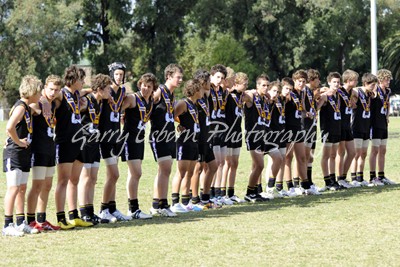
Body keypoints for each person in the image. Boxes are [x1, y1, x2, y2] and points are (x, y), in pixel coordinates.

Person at [2, 75, 42, 236]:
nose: (40, 95)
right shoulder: (20, 107)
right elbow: (9, 127)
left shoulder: (27, 107)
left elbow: (39, 110)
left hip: (24, 153)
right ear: (31, 91)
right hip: (15, 152)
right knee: (13, 188)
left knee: (22, 188)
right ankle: (7, 224)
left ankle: (20, 222)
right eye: (38, 92)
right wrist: (18, 142)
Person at [54, 66, 92, 229]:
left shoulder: (77, 95)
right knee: (63, 181)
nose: (83, 82)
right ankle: (60, 218)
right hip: (65, 142)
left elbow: (87, 91)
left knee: (74, 180)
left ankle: (74, 215)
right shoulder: (62, 93)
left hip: (79, 141)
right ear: (74, 80)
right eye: (81, 80)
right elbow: (46, 97)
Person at [26, 75, 62, 231]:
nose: (53, 92)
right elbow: (20, 108)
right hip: (38, 149)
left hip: (50, 148)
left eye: (56, 90)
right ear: (45, 88)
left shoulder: (53, 104)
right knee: (37, 185)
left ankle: (42, 219)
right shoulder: (37, 102)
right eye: (51, 89)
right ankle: (30, 220)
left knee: (47, 185)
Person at [77, 74, 114, 224]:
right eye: (108, 90)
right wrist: (87, 90)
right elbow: (71, 96)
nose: (110, 93)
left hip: (95, 142)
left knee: (93, 178)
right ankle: (83, 212)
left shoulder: (100, 102)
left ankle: (91, 212)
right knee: (85, 178)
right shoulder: (86, 100)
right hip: (84, 142)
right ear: (99, 89)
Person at [121, 73, 157, 219]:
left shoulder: (151, 101)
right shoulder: (133, 98)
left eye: (149, 86)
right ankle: (133, 208)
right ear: (139, 84)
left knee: (133, 174)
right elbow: (117, 109)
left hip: (140, 139)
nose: (146, 88)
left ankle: (133, 209)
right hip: (129, 139)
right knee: (137, 173)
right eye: (143, 85)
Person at [98, 62, 131, 222]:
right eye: (116, 74)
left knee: (113, 175)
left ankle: (112, 207)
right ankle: (103, 209)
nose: (119, 77)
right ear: (111, 74)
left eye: (121, 74)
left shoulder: (123, 91)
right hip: (105, 136)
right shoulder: (105, 90)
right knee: (114, 174)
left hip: (116, 135)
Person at [149, 63, 183, 217]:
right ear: (169, 76)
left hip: (169, 135)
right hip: (159, 136)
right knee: (166, 168)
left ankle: (156, 204)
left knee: (164, 170)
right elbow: (147, 103)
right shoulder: (159, 91)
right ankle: (163, 204)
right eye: (178, 77)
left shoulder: (171, 94)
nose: (180, 79)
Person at [243, 74, 282, 202]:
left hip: (265, 134)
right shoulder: (252, 96)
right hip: (254, 135)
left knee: (278, 157)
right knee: (259, 165)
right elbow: (243, 96)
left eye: (267, 85)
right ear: (257, 86)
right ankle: (250, 192)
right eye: (263, 85)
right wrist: (248, 91)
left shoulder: (265, 99)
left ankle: (269, 187)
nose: (265, 88)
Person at [170, 79, 203, 212]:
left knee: (190, 172)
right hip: (184, 141)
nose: (202, 91)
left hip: (194, 141)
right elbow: (170, 115)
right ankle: (174, 202)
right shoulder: (184, 103)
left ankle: (186, 201)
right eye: (200, 89)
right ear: (195, 90)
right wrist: (179, 125)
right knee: (181, 172)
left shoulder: (195, 105)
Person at [284, 70, 319, 195]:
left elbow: (301, 108)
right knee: (288, 158)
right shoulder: (290, 93)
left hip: (298, 127)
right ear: (294, 81)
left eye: (304, 81)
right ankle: (290, 186)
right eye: (299, 81)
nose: (302, 83)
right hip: (288, 128)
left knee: (302, 157)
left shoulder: (300, 93)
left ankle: (305, 185)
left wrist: (306, 112)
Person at [189, 69, 219, 210]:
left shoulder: (206, 96)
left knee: (213, 166)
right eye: (208, 80)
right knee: (198, 168)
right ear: (202, 82)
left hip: (207, 137)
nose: (210, 83)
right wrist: (181, 125)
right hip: (199, 138)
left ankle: (205, 198)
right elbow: (179, 111)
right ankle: (195, 200)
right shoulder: (196, 98)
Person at [222, 72, 249, 203]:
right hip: (228, 131)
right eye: (244, 84)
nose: (246, 86)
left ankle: (231, 192)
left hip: (237, 131)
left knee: (235, 163)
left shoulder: (241, 96)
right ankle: (222, 193)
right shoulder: (228, 95)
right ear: (236, 83)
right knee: (227, 163)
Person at [208, 64, 231, 205]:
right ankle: (208, 193)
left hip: (222, 129)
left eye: (222, 78)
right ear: (211, 76)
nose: (219, 80)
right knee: (214, 163)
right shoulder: (207, 90)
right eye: (217, 77)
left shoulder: (221, 91)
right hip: (211, 130)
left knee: (221, 162)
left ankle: (218, 193)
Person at [350, 73, 378, 186]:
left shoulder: (369, 94)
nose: (373, 87)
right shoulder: (358, 92)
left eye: (374, 85)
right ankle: (353, 178)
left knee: (364, 153)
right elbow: (349, 90)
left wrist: (373, 92)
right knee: (356, 154)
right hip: (356, 127)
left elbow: (374, 95)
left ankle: (360, 177)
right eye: (372, 85)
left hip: (366, 127)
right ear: (365, 83)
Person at [369, 69, 396, 185]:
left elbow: (388, 103)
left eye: (389, 79)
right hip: (375, 123)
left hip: (383, 124)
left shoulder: (388, 91)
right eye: (386, 79)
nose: (388, 81)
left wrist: (387, 115)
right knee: (374, 150)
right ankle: (372, 177)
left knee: (383, 150)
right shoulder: (375, 90)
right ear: (380, 79)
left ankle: (381, 175)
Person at [317, 72, 343, 191]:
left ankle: (333, 180)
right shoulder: (325, 96)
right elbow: (316, 108)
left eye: (338, 82)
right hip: (327, 129)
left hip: (336, 128)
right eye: (334, 82)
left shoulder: (338, 95)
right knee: (326, 155)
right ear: (329, 83)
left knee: (333, 155)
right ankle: (327, 181)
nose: (336, 84)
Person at [335, 69, 358, 188]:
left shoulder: (352, 92)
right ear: (348, 80)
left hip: (347, 125)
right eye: (355, 80)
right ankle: (339, 178)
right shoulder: (339, 90)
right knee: (341, 152)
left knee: (352, 152)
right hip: (339, 124)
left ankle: (343, 176)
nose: (357, 82)